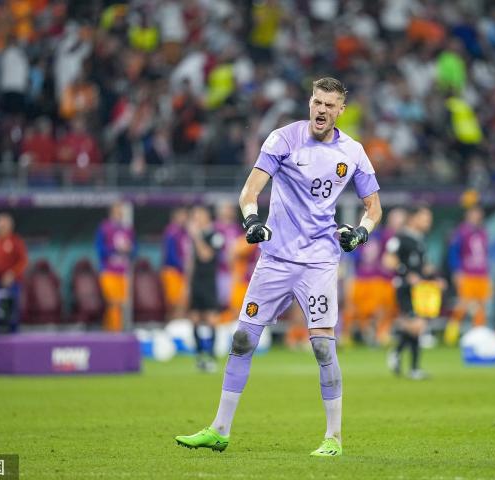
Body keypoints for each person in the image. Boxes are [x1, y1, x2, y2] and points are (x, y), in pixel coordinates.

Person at [175, 77, 382, 457]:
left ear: (340, 111)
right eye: (317, 102)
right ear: (310, 103)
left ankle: (333, 438)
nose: (321, 109)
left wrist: (360, 234)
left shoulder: (353, 152)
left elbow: (374, 208)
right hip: (276, 258)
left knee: (322, 347)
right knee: (242, 338)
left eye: (329, 105)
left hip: (319, 261)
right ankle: (219, 430)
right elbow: (249, 192)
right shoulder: (283, 139)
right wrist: (252, 221)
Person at [383, 205, 437, 379]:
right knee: (417, 324)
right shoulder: (400, 238)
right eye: (425, 218)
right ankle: (413, 368)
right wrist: (406, 273)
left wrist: (434, 278)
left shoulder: (419, 239)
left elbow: (423, 267)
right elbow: (388, 260)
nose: (428, 222)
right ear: (413, 218)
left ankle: (397, 353)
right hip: (404, 288)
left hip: (420, 290)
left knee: (417, 326)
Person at [187, 205, 225, 372]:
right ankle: (199, 355)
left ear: (206, 218)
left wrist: (197, 237)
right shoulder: (195, 238)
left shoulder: (215, 236)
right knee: (195, 318)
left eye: (198, 216)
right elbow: (191, 262)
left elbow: (205, 256)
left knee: (211, 319)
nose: (196, 220)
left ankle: (211, 356)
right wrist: (187, 284)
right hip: (196, 282)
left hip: (209, 283)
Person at [445, 205, 490, 345]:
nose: (477, 216)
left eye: (479, 213)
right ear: (468, 215)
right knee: (463, 305)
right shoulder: (460, 232)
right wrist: (456, 271)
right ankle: (450, 336)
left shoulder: (483, 232)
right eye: (474, 213)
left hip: (481, 274)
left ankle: (479, 335)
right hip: (467, 273)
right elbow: (454, 252)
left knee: (481, 306)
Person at [0, 213, 28, 332]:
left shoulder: (16, 241)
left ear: (10, 227)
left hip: (12, 282)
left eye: (2, 225)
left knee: (12, 309)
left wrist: (12, 274)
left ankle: (13, 333)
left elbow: (23, 261)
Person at [95, 201, 136, 332]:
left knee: (123, 305)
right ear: (112, 212)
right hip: (109, 271)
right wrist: (116, 249)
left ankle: (120, 332)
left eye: (121, 211)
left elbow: (135, 250)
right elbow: (100, 250)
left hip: (123, 272)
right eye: (117, 211)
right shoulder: (104, 228)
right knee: (112, 303)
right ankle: (112, 333)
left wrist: (129, 249)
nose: (120, 214)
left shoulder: (128, 229)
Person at [161, 208, 190, 320]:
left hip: (182, 272)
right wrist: (183, 266)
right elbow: (170, 255)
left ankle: (179, 322)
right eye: (181, 215)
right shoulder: (171, 232)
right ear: (175, 217)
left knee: (182, 303)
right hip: (172, 271)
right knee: (173, 303)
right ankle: (172, 323)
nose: (184, 218)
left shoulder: (185, 232)